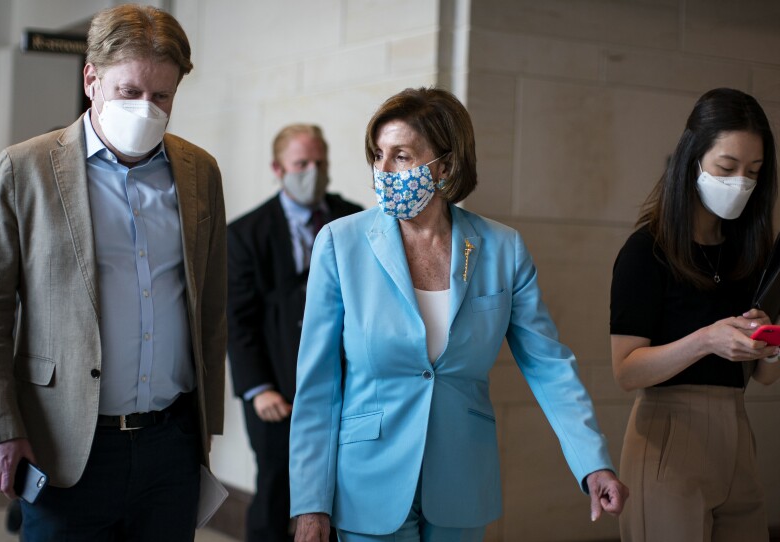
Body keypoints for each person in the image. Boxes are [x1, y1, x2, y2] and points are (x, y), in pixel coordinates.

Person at [289, 87, 628, 542]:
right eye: (378, 155)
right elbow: (318, 386)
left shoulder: (502, 249)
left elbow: (549, 365)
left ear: (444, 167)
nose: (383, 171)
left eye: (402, 156)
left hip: (462, 479)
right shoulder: (340, 242)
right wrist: (310, 502)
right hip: (367, 482)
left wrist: (594, 463)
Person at [0, 4, 226, 541]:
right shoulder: (26, 167)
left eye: (162, 96)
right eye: (130, 92)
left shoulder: (199, 171)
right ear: (91, 80)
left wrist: (204, 428)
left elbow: (211, 302)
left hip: (169, 444)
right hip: (65, 443)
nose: (147, 109)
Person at [610, 87, 780, 541]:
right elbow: (626, 371)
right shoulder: (647, 251)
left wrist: (769, 341)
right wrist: (706, 339)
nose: (741, 182)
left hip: (736, 433)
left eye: (754, 172)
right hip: (667, 436)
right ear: (693, 158)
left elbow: (764, 377)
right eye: (727, 168)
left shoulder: (748, 252)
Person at [227, 124, 362, 542]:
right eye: (302, 163)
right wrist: (259, 388)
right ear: (278, 168)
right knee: (275, 488)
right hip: (276, 391)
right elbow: (237, 318)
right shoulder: (246, 233)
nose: (313, 172)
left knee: (344, 491)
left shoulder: (355, 219)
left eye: (320, 163)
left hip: (344, 384)